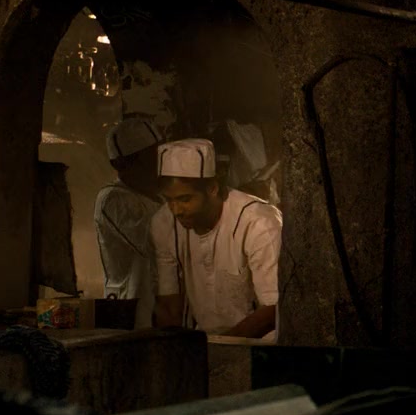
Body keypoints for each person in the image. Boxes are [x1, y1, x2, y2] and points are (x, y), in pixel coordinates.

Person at [150, 138, 283, 339]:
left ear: (212, 188)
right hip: (205, 343)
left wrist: (221, 346)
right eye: (169, 200)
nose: (176, 210)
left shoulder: (259, 222)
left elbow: (274, 308)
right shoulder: (163, 223)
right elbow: (169, 304)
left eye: (185, 199)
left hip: (259, 345)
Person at [94, 118, 163, 328]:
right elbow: (154, 243)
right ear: (127, 164)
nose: (159, 165)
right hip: (130, 309)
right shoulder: (113, 199)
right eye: (151, 158)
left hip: (159, 308)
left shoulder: (158, 196)